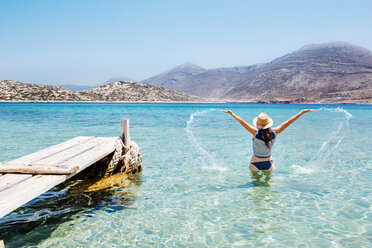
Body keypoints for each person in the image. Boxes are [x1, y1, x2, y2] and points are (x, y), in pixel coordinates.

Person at [221, 109, 315, 173]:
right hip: (269, 164)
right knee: (268, 189)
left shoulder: (255, 132)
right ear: (268, 123)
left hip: (255, 164)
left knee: (256, 190)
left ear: (258, 123)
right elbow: (289, 122)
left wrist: (231, 114)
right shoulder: (274, 132)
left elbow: (242, 122)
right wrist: (302, 112)